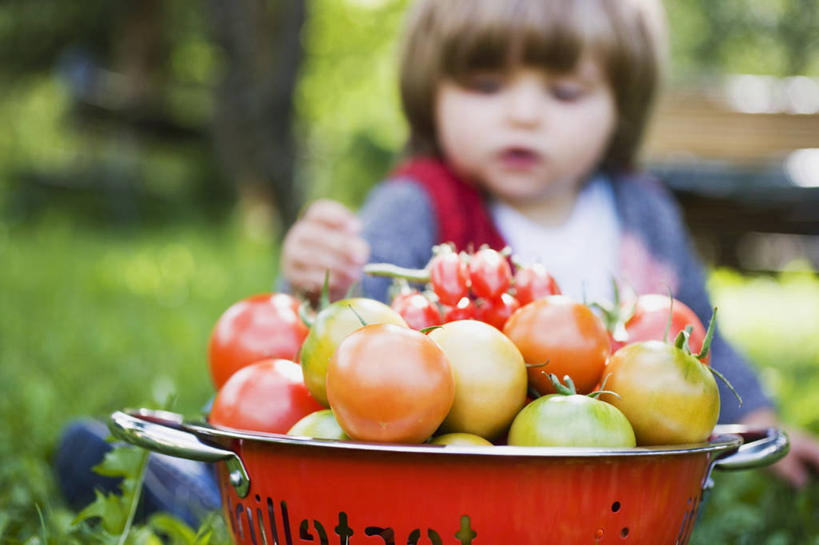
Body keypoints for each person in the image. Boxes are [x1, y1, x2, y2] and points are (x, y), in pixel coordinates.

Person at [281, 0, 819, 487]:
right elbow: (348, 334)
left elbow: (699, 336)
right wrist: (319, 274)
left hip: (618, 490)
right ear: (431, 94)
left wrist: (759, 421)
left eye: (564, 92)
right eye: (485, 85)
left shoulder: (643, 211)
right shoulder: (417, 205)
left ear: (620, 105)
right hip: (459, 489)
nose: (524, 114)